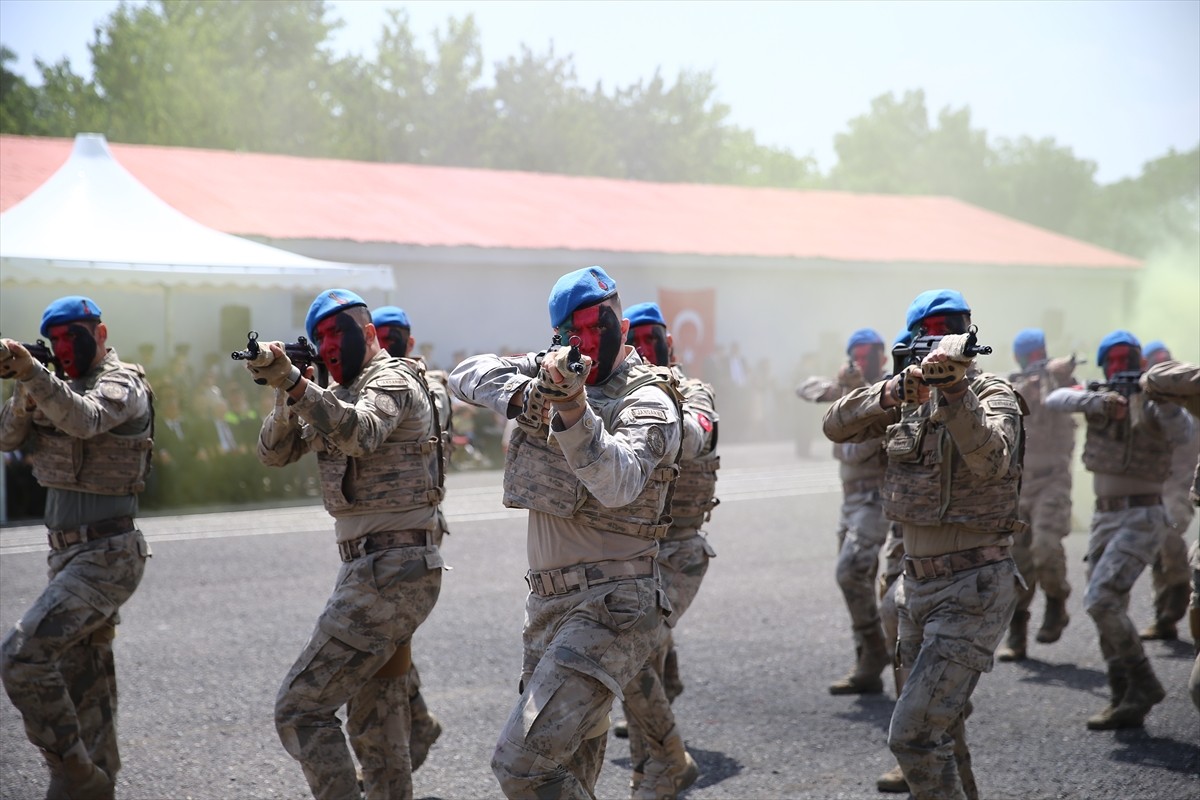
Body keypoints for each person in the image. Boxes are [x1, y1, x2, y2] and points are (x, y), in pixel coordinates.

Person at [448, 266, 684, 798]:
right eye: (574, 333)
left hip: (612, 605)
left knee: (521, 765)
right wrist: (529, 393)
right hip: (550, 609)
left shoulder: (650, 398)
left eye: (598, 327)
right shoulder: (551, 370)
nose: (588, 344)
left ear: (620, 323)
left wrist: (574, 409)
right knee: (571, 774)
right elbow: (464, 373)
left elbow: (620, 481)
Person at [823, 289, 1023, 800]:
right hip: (917, 586)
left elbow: (993, 461)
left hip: (973, 585)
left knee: (912, 737)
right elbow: (835, 426)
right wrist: (891, 392)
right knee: (943, 733)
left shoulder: (994, 394)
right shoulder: (907, 401)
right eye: (926, 337)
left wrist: (957, 396)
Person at [249, 289, 446, 799]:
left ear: (371, 333)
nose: (330, 344)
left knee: (300, 708)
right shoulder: (330, 393)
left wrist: (297, 385)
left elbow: (362, 433)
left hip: (392, 568)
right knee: (376, 729)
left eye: (340, 332)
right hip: (373, 569)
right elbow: (273, 454)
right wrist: (287, 390)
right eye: (321, 337)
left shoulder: (392, 378)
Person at [0, 296, 155, 798]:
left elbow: (86, 420)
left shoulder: (122, 382)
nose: (64, 348)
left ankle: (73, 774)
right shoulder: (48, 385)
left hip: (107, 552)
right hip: (64, 555)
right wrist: (24, 382)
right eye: (56, 339)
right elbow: (7, 438)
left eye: (74, 336)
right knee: (85, 681)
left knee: (21, 657)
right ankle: (95, 781)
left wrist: (36, 377)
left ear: (101, 333)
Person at [1044, 330, 1192, 730]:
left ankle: (1142, 683)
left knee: (1101, 599)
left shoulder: (1157, 404)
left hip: (1143, 515)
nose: (1119, 368)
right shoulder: (1097, 397)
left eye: (1126, 361)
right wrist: (1097, 400)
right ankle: (1121, 695)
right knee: (1109, 606)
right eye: (1112, 361)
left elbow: (1186, 435)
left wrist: (1158, 401)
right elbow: (1055, 399)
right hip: (1104, 517)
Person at [615, 301, 716, 794]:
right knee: (641, 655)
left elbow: (699, 437)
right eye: (642, 342)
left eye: (658, 341)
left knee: (634, 655)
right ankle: (656, 747)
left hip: (679, 549)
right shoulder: (620, 395)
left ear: (670, 346)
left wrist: (660, 401)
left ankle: (658, 768)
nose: (650, 351)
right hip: (632, 553)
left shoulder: (694, 391)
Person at [370, 304, 448, 770]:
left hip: (419, 528)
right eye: (381, 335)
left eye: (396, 335)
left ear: (410, 342)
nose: (389, 342)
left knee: (388, 636)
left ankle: (403, 739)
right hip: (380, 530)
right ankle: (416, 723)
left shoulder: (427, 384)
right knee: (389, 637)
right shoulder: (368, 385)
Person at [797, 328, 892, 695]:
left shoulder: (889, 393)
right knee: (859, 581)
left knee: (850, 571)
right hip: (851, 501)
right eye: (858, 356)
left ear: (883, 359)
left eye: (870, 356)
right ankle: (867, 663)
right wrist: (844, 387)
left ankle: (876, 650)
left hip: (877, 497)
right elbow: (804, 387)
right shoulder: (848, 391)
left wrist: (857, 395)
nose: (864, 363)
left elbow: (860, 447)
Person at [997, 329, 1080, 661]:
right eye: (1027, 355)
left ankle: (1057, 602)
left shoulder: (1058, 381)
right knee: (1017, 562)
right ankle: (1017, 634)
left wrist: (1059, 372)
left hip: (1053, 481)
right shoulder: (1010, 385)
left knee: (1045, 547)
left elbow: (1072, 388)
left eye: (1036, 353)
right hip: (1019, 485)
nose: (1032, 360)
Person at [1139, 358, 1200, 712]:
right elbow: (1157, 379)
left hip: (1174, 485)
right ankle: (1167, 612)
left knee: (1171, 538)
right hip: (1163, 482)